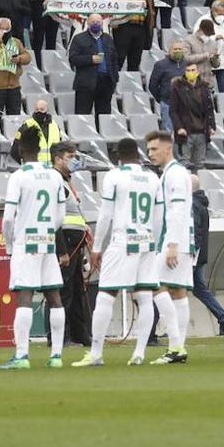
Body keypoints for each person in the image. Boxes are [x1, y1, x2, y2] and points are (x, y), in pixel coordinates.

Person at [75, 138, 163, 367]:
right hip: (146, 241)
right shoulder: (153, 178)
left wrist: (96, 248)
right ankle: (140, 353)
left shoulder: (114, 176)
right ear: (138, 154)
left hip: (123, 240)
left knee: (106, 295)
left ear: (118, 156)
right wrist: (155, 241)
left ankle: (96, 353)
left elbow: (105, 215)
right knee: (144, 297)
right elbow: (160, 215)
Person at [0, 127, 68, 370]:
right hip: (47, 241)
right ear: (39, 150)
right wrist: (48, 230)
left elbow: (8, 219)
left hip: (25, 242)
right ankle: (57, 356)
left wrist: (10, 243)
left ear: (20, 149)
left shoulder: (18, 176)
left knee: (25, 296)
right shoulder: (54, 176)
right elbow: (61, 216)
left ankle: (22, 356)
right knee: (53, 296)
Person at [145, 131, 196, 365]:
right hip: (183, 239)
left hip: (173, 240)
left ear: (168, 149)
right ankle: (179, 346)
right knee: (178, 291)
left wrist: (172, 243)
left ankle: (176, 346)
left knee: (156, 285)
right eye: (148, 150)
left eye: (154, 149)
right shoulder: (175, 173)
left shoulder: (174, 174)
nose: (150, 154)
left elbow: (177, 210)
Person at [91, 0, 175, 71]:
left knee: (135, 61)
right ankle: (113, 85)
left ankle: (132, 85)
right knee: (119, 58)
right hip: (122, 25)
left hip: (141, 26)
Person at [48, 142, 92, 349]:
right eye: (70, 156)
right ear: (58, 159)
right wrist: (61, 251)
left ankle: (80, 335)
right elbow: (54, 218)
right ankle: (59, 337)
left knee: (76, 291)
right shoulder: (55, 181)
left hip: (76, 241)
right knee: (63, 291)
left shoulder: (65, 180)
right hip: (65, 242)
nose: (75, 160)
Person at [189, 173, 224, 337]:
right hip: (199, 256)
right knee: (200, 290)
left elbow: (195, 233)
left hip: (192, 256)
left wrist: (191, 255)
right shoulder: (201, 203)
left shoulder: (192, 204)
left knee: (171, 289)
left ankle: (161, 327)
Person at [64, 13, 120, 115]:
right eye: (93, 22)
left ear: (102, 23)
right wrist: (90, 59)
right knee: (83, 115)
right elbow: (73, 59)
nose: (96, 24)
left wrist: (115, 78)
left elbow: (114, 59)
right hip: (86, 83)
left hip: (106, 83)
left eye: (98, 22)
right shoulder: (79, 38)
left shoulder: (108, 38)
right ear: (88, 24)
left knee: (104, 116)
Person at [169, 62, 216, 169]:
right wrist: (179, 127)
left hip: (202, 131)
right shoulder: (177, 88)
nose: (191, 73)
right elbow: (173, 111)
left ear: (197, 71)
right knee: (185, 163)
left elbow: (209, 110)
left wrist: (211, 126)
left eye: (193, 70)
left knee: (200, 163)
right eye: (188, 70)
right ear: (184, 72)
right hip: (185, 131)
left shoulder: (204, 87)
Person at [0, 16, 30, 115]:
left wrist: (19, 58)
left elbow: (28, 57)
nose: (4, 31)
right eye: (1, 28)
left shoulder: (16, 42)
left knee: (14, 116)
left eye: (6, 29)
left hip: (14, 87)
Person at [8, 100, 62, 164]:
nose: (39, 112)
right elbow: (15, 149)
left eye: (42, 109)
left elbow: (60, 147)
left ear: (47, 110)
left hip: (51, 168)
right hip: (33, 167)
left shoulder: (55, 126)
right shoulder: (28, 125)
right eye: (37, 109)